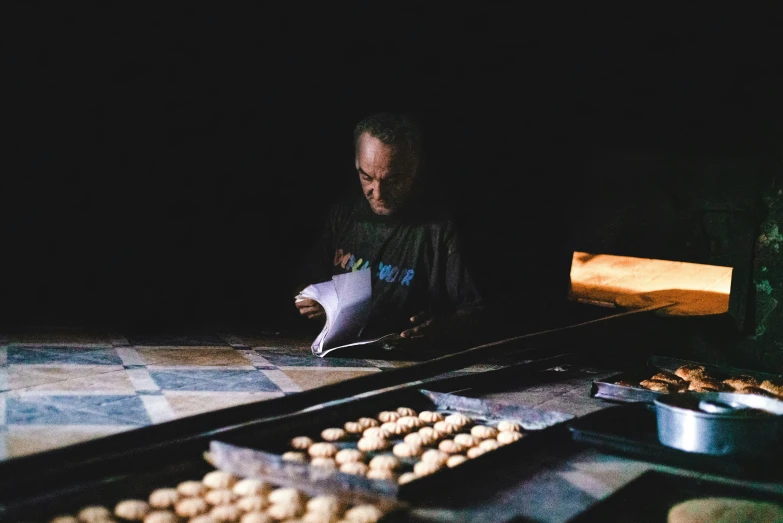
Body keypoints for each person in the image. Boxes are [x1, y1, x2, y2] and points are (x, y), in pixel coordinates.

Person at [294, 113, 484, 350]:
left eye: (393, 180)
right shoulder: (343, 213)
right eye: (367, 177)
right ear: (356, 163)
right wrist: (315, 304)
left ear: (416, 168)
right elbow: (308, 283)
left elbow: (477, 313)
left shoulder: (440, 228)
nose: (378, 192)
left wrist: (441, 329)